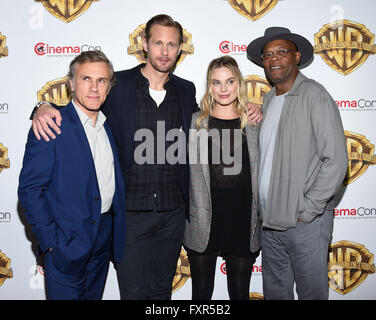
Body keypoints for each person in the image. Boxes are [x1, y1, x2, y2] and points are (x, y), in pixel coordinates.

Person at [31, 14, 262, 300]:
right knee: (133, 293)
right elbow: (82, 102)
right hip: (129, 217)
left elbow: (215, 115)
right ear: (144, 44)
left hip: (172, 216)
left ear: (180, 49)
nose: (164, 51)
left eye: (171, 44)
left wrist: (251, 107)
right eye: (158, 43)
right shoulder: (119, 85)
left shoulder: (185, 89)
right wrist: (42, 106)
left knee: (161, 293)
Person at [246, 27, 348, 300]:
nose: (274, 59)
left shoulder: (314, 95)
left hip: (305, 224)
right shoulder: (268, 100)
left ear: (297, 56)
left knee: (311, 294)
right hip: (270, 223)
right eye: (268, 55)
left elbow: (336, 160)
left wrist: (309, 208)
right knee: (276, 293)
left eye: (282, 52)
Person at [18, 50, 126, 300]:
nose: (94, 88)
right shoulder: (52, 124)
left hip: (102, 240)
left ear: (109, 86)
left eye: (101, 81)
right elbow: (30, 190)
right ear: (72, 83)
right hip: (65, 243)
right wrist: (51, 243)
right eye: (86, 78)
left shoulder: (108, 126)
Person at [183, 56, 261, 300]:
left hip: (243, 221)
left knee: (239, 292)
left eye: (229, 81)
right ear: (209, 86)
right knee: (202, 293)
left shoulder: (255, 123)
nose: (224, 89)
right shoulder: (195, 122)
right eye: (216, 83)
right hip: (203, 220)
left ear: (239, 83)